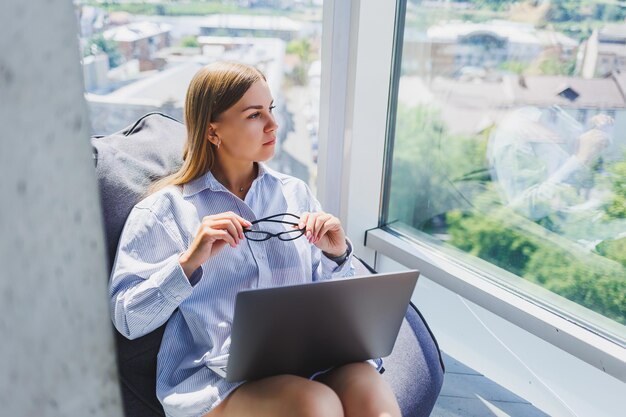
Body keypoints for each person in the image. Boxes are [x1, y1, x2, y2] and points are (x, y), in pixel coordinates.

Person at [109, 61, 401, 417]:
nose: (273, 124)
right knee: (313, 403)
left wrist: (337, 256)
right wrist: (189, 263)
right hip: (218, 383)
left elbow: (333, 308)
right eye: (254, 115)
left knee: (369, 388)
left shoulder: (295, 195)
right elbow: (127, 319)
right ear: (213, 131)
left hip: (308, 361)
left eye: (271, 109)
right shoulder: (165, 211)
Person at [487, 105, 626, 248]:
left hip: (601, 225)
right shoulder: (515, 134)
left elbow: (571, 157)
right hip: (569, 244)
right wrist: (581, 158)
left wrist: (593, 134)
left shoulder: (553, 108)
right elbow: (524, 207)